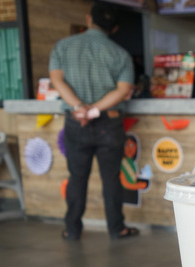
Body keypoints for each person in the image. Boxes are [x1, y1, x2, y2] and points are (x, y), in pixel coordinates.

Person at [49, 2, 139, 240]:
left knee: (77, 177)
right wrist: (94, 110)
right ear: (115, 28)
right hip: (108, 123)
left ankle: (72, 229)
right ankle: (117, 228)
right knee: (111, 178)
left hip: (75, 123)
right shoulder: (120, 54)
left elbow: (57, 80)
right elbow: (122, 90)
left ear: (89, 19)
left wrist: (79, 108)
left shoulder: (62, 47)